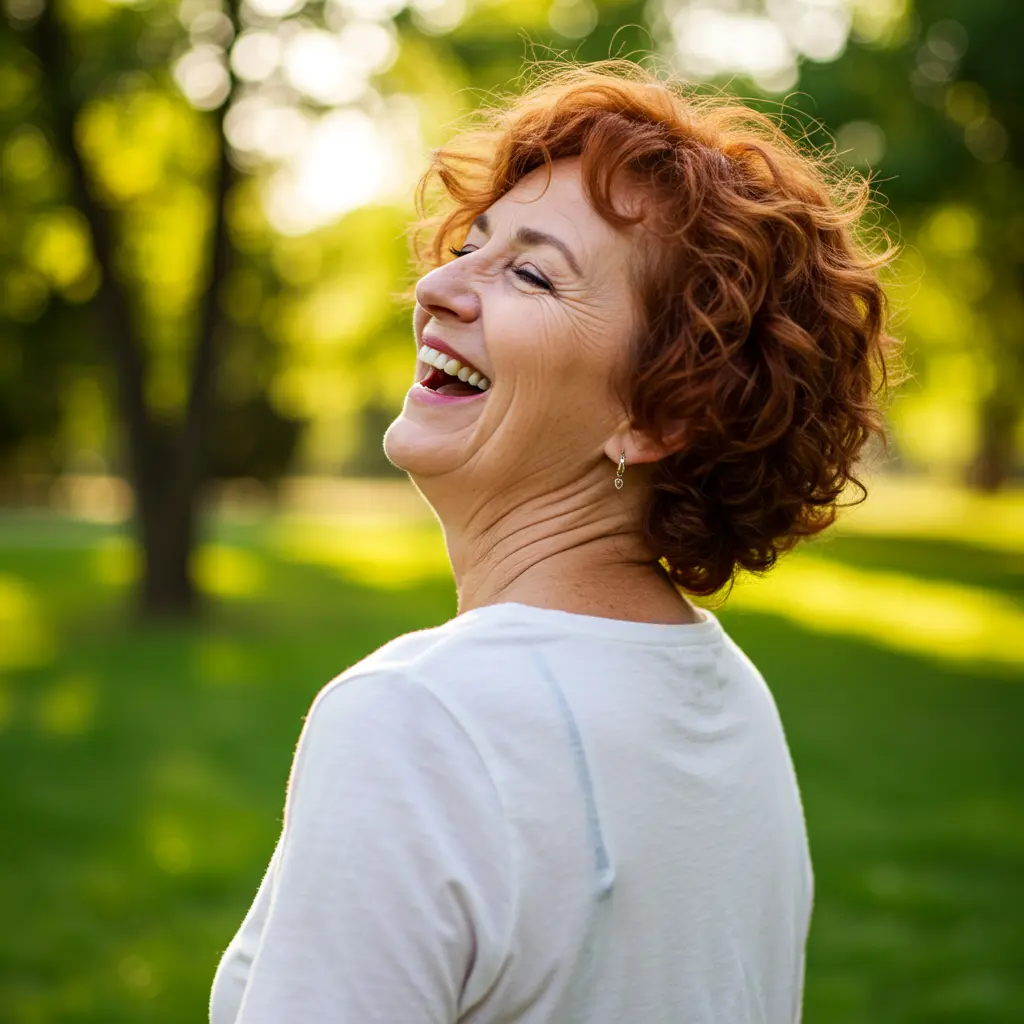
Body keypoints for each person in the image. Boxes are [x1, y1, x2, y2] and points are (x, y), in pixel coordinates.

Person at [210, 61, 898, 1023]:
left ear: (658, 415)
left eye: (531, 273)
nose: (438, 286)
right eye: (472, 245)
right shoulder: (729, 699)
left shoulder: (418, 721)